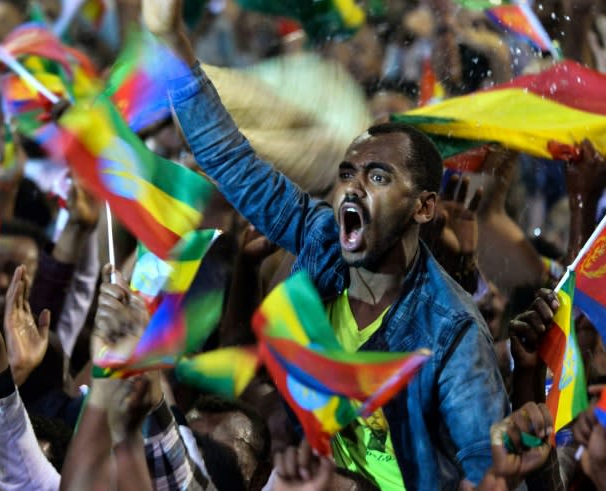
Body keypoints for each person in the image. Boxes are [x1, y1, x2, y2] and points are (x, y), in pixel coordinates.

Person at [142, 0, 509, 488]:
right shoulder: (323, 243)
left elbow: (493, 476)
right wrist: (174, 45)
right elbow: (233, 162)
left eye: (377, 176)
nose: (353, 188)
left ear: (422, 208)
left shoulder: (452, 336)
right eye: (347, 174)